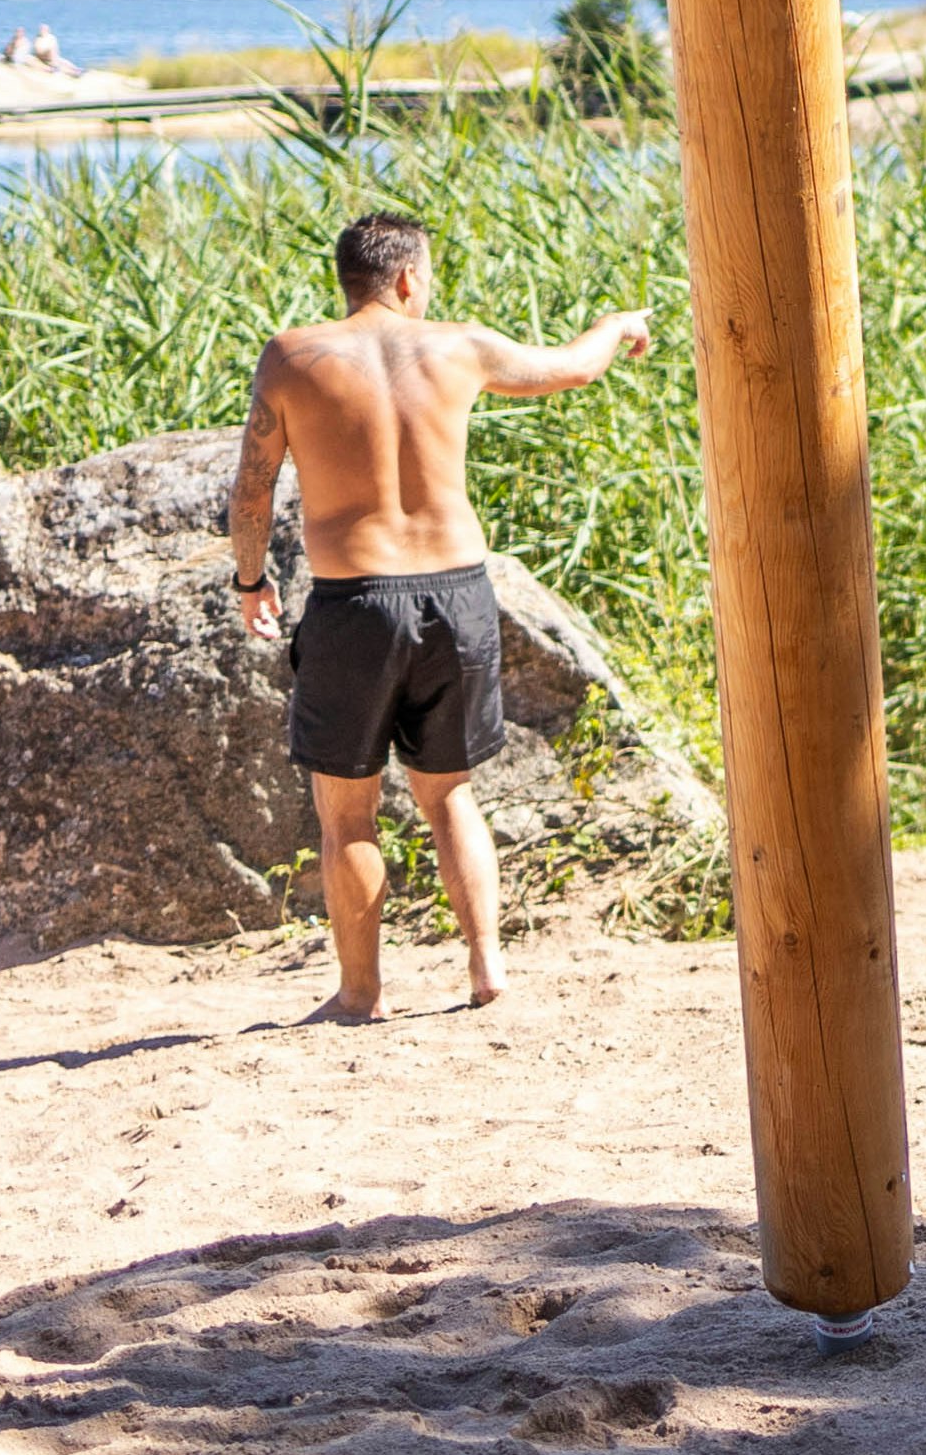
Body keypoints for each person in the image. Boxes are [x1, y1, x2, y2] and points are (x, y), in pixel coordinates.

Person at [226, 211, 652, 1020]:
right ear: (410, 277)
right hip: (458, 596)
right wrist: (618, 323)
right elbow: (572, 368)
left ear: (351, 279)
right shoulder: (462, 346)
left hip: (355, 604)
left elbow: (253, 487)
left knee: (346, 811)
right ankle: (486, 964)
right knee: (449, 792)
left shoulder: (291, 356)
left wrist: (253, 579)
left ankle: (361, 992)